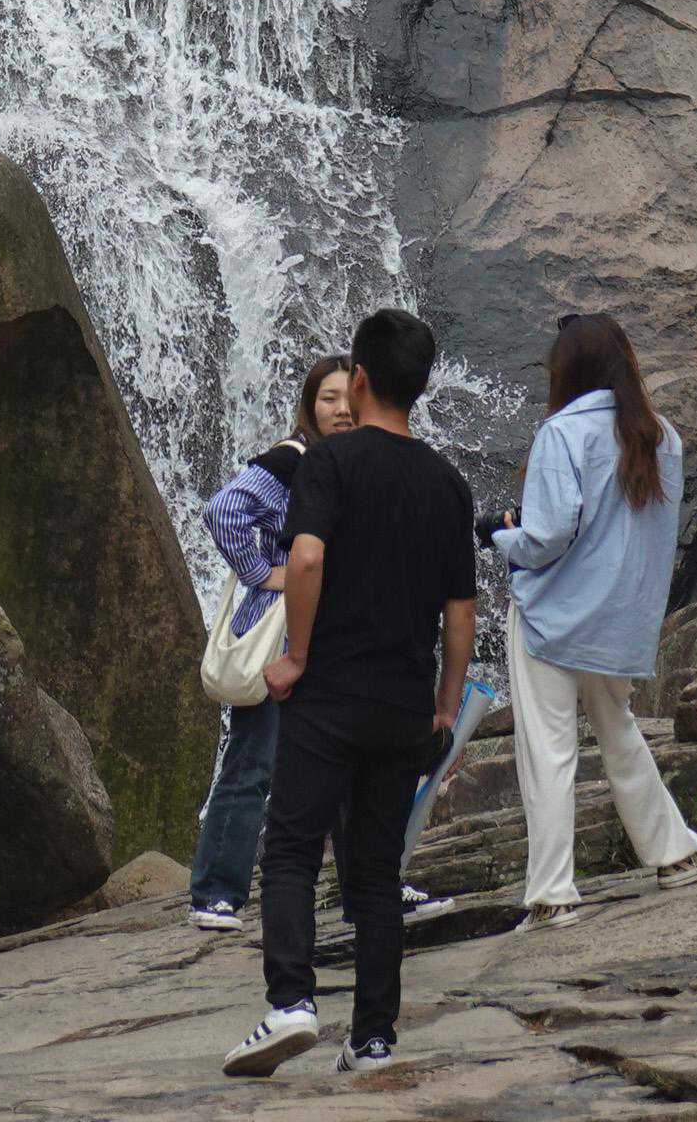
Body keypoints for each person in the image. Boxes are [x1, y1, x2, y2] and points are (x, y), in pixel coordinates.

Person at [223, 308, 476, 1082]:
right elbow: (460, 614)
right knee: (375, 872)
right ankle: (372, 1039)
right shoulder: (447, 483)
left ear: (359, 379)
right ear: (421, 385)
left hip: (330, 692)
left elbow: (305, 559)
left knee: (293, 850)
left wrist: (296, 655)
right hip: (403, 703)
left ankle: (291, 1002)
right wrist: (445, 706)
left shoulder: (330, 463)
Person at [490, 314, 697, 932]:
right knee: (618, 731)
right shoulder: (662, 437)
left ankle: (553, 895)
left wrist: (500, 534)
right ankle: (675, 853)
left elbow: (548, 536)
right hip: (617, 620)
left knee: (549, 751)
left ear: (567, 370)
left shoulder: (561, 433)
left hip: (553, 617)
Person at [188, 354, 352, 931]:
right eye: (328, 398)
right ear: (310, 405)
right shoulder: (291, 458)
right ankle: (215, 893)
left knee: (349, 764)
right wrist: (264, 573)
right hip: (280, 633)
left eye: (349, 398)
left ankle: (367, 885)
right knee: (253, 759)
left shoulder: (354, 462)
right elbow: (223, 510)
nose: (341, 409)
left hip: (335, 633)